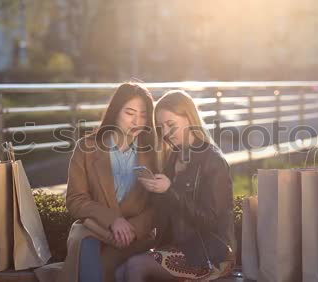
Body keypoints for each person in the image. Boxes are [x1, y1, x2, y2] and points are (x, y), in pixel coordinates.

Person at [116, 90, 236, 281]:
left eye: (171, 125)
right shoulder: (174, 156)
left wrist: (170, 190)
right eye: (161, 127)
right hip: (178, 247)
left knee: (135, 267)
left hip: (210, 254)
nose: (165, 133)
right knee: (120, 272)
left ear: (189, 119)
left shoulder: (213, 161)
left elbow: (210, 221)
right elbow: (166, 214)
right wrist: (155, 189)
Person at [53, 82, 157, 282]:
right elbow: (75, 199)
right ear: (116, 111)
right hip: (95, 228)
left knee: (103, 263)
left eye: (143, 114)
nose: (137, 121)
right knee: (85, 244)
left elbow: (158, 205)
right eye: (130, 112)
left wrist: (132, 228)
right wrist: (113, 220)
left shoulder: (154, 153)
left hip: (136, 237)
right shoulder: (86, 148)